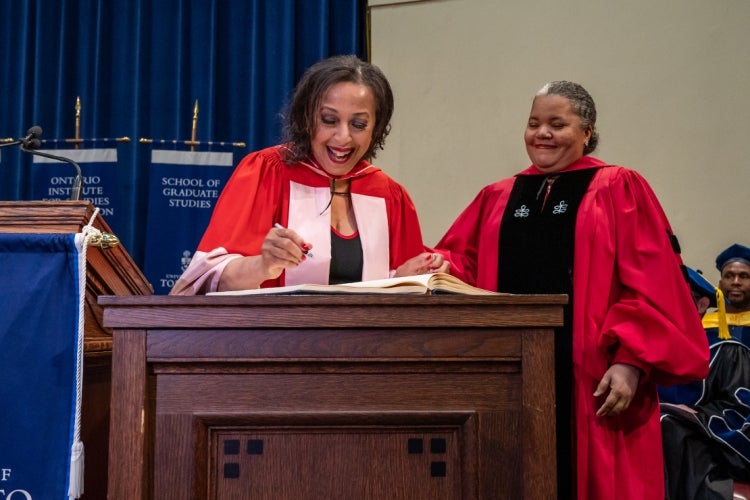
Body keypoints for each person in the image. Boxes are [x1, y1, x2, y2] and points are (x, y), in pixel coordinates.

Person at [433, 81, 709, 499]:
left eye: (556, 123)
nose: (542, 133)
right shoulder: (499, 196)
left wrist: (632, 361)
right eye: (533, 123)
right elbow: (463, 265)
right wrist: (437, 264)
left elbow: (655, 282)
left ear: (586, 131)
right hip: (510, 382)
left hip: (596, 384)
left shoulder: (619, 187)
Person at [170, 55, 448, 295]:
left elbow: (404, 303)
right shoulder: (266, 172)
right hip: (272, 347)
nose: (343, 137)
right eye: (328, 120)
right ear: (306, 117)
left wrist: (408, 276)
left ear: (377, 127)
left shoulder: (390, 195)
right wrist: (263, 265)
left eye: (359, 124)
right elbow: (205, 285)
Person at [661, 243, 750, 499]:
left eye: (679, 298)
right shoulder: (648, 350)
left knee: (669, 427)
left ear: (701, 304)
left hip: (701, 444)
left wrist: (698, 416)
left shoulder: (727, 350)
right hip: (657, 438)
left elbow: (740, 410)